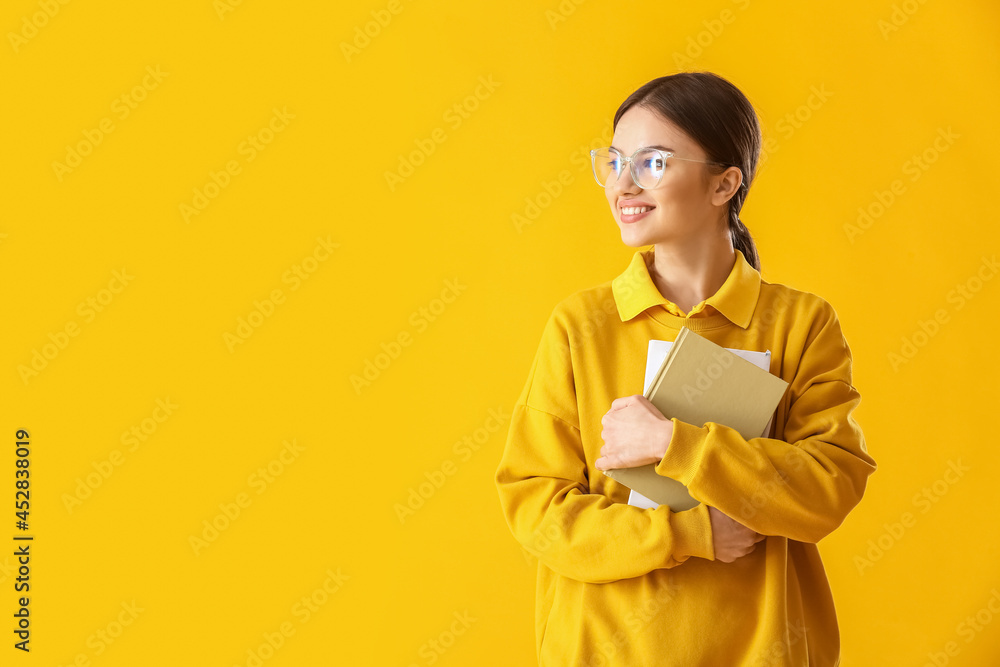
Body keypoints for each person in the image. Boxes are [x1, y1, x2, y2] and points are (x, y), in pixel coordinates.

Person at [493, 71, 877, 666]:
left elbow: (828, 489)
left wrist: (676, 443)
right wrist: (691, 535)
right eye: (615, 160)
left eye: (653, 163)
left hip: (760, 650)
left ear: (725, 183)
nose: (622, 183)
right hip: (602, 650)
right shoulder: (580, 325)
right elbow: (537, 510)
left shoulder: (801, 324)